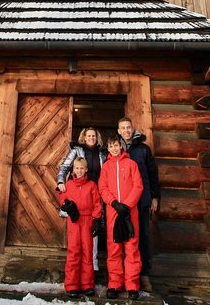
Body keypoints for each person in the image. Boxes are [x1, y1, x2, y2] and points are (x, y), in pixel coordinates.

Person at [117, 117, 160, 292]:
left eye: (129, 127)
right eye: (123, 128)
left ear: (132, 129)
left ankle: (143, 275)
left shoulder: (143, 149)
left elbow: (152, 174)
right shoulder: (115, 149)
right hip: (121, 202)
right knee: (121, 237)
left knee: (142, 236)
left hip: (141, 200)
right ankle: (123, 275)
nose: (127, 131)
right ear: (118, 131)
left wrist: (154, 197)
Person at [98, 135, 143, 300]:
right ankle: (115, 284)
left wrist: (127, 205)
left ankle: (132, 286)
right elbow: (102, 188)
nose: (114, 148)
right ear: (108, 149)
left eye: (116, 145)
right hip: (113, 211)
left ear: (120, 146)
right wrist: (114, 203)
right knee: (114, 248)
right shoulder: (106, 167)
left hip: (130, 212)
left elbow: (138, 186)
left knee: (131, 248)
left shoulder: (131, 164)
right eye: (111, 146)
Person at [57, 127, 107, 270]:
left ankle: (93, 263)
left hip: (95, 193)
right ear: (84, 138)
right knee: (77, 230)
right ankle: (76, 264)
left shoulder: (102, 154)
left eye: (94, 136)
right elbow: (64, 167)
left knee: (94, 228)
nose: (91, 138)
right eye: (89, 136)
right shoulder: (77, 151)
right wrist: (61, 181)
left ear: (97, 138)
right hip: (78, 193)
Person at [58, 157, 103, 298]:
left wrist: (96, 219)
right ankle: (72, 285)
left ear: (86, 170)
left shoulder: (91, 185)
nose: (79, 170)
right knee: (74, 251)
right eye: (77, 168)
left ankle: (87, 284)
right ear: (73, 170)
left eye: (82, 168)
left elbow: (97, 203)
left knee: (87, 252)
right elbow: (63, 199)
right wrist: (69, 208)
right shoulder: (69, 184)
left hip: (88, 220)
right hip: (74, 221)